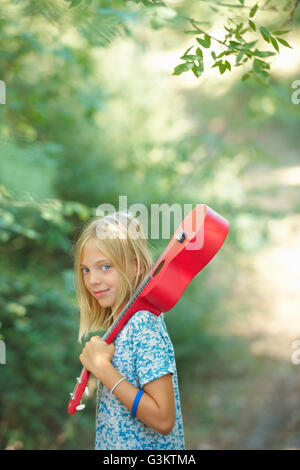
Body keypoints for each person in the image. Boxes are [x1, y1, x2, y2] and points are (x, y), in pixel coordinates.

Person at [74, 211, 185, 450]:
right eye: (86, 270)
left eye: (105, 266)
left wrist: (103, 370)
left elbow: (164, 419)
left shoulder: (142, 325)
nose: (92, 279)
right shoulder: (120, 325)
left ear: (138, 267)